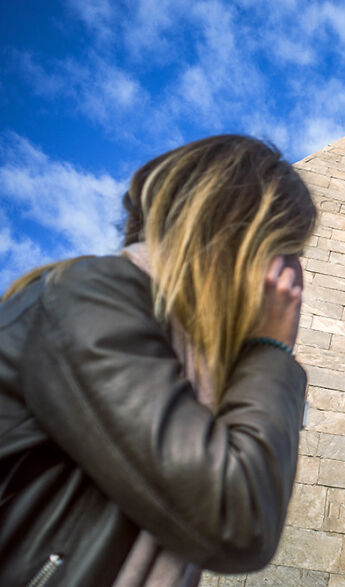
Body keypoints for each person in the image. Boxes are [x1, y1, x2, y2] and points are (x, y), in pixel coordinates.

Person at [0, 135, 317, 586]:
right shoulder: (90, 299)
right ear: (242, 236)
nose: (288, 278)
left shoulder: (160, 336)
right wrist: (271, 348)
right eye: (285, 249)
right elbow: (236, 518)